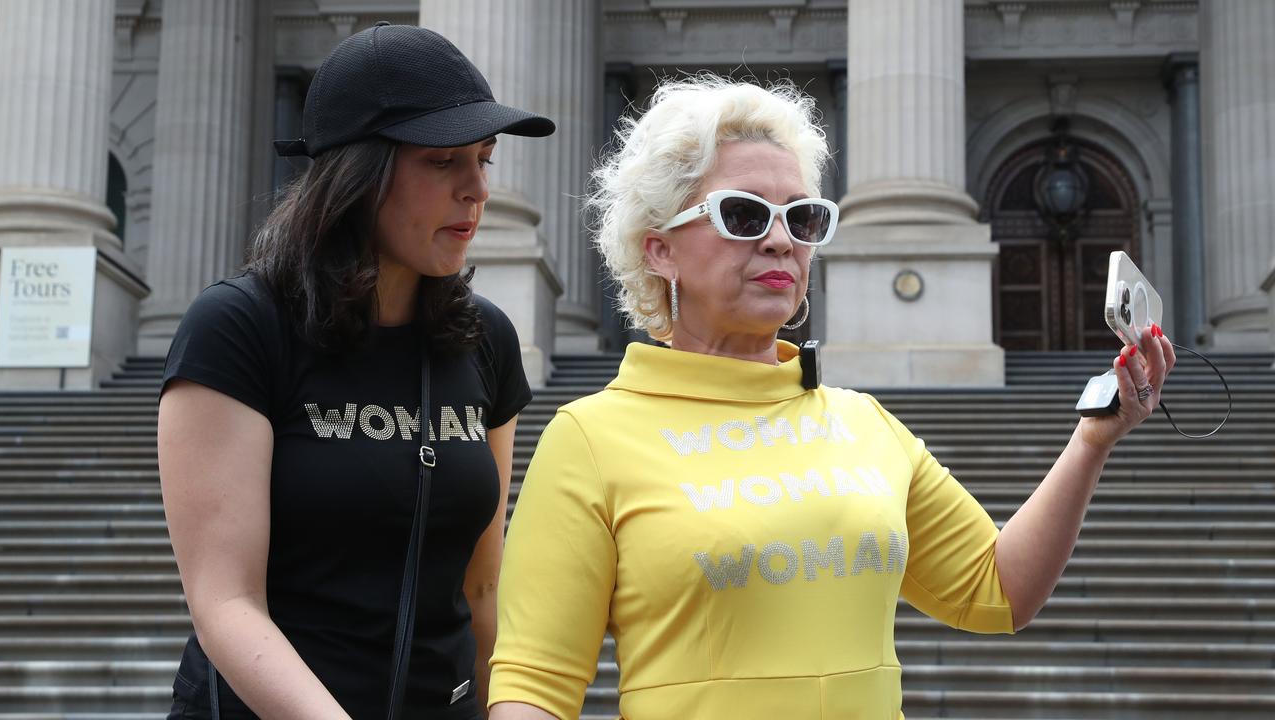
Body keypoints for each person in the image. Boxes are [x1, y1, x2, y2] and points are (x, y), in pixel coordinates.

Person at [485, 76, 1175, 720]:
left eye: (803, 217)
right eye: (744, 214)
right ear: (659, 249)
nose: (781, 240)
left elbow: (997, 590)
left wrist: (1093, 439)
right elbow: (534, 686)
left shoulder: (863, 422)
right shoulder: (589, 438)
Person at [158, 23, 554, 719]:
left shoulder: (484, 338)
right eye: (443, 161)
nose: (477, 190)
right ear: (358, 175)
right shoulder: (238, 328)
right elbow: (226, 603)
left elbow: (483, 589)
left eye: (484, 159)